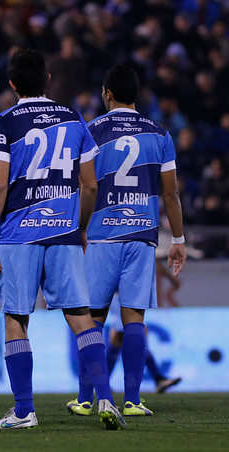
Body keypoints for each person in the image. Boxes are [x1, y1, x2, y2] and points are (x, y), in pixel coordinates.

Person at [0, 49, 125, 430]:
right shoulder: (74, 119)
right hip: (63, 232)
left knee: (16, 318)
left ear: (12, 84)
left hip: (18, 234)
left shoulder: (3, 123)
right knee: (81, 317)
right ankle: (107, 400)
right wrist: (78, 227)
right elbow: (91, 185)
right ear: (47, 78)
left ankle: (25, 411)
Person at [66, 65, 186, 418]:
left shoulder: (91, 131)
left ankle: (86, 399)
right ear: (137, 95)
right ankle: (133, 401)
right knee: (134, 317)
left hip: (101, 235)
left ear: (107, 93)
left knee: (93, 320)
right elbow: (171, 191)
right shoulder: (159, 134)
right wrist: (177, 238)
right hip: (142, 234)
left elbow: (83, 187)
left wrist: (80, 228)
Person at [104, 294, 182, 394]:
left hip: (123, 302)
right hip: (122, 302)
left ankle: (101, 384)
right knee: (137, 343)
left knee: (118, 345)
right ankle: (101, 384)